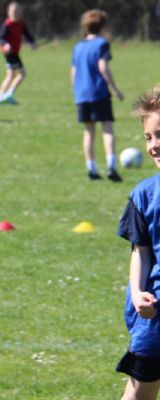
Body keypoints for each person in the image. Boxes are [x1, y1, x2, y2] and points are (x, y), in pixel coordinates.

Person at [116, 85, 160, 400]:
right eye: (148, 137)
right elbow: (140, 252)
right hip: (156, 315)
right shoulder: (144, 195)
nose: (154, 145)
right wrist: (136, 294)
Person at [71, 9, 123, 182]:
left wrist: (78, 91)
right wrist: (115, 89)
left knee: (89, 131)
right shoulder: (102, 44)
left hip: (82, 94)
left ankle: (91, 169)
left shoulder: (77, 47)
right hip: (99, 92)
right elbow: (103, 67)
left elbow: (73, 73)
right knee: (107, 128)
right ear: (103, 26)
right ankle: (111, 166)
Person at [0, 1, 36, 107]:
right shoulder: (7, 25)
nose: (14, 13)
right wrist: (6, 44)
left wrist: (32, 42)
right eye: (12, 11)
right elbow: (0, 38)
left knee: (12, 75)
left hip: (15, 52)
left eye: (16, 11)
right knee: (20, 74)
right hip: (9, 53)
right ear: (8, 12)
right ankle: (6, 95)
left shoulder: (20, 24)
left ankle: (1, 97)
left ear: (20, 12)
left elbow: (27, 34)